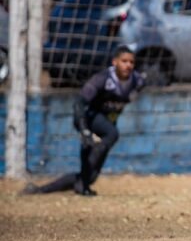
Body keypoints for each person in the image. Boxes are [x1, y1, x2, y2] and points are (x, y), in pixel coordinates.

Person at [22, 45, 146, 197]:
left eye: (131, 62)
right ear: (114, 62)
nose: (128, 65)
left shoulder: (137, 81)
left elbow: (128, 97)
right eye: (124, 61)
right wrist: (84, 131)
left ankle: (39, 190)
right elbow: (79, 103)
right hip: (88, 120)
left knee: (89, 177)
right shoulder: (102, 79)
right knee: (112, 134)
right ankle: (80, 182)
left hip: (106, 125)